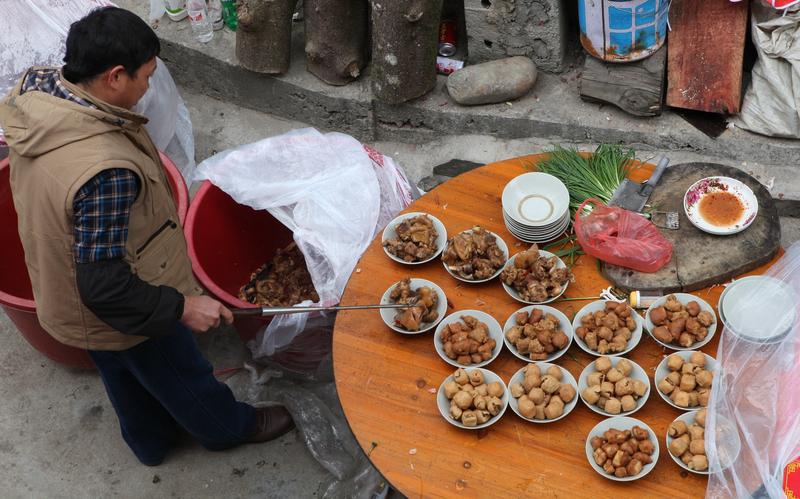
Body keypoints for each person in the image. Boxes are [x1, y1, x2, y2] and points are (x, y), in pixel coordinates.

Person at [0, 6, 293, 466]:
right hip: (127, 309)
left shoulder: (42, 97)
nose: (149, 88)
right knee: (181, 372)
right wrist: (181, 306)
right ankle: (227, 428)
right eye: (147, 76)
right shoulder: (104, 173)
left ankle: (151, 444)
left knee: (121, 375)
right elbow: (106, 287)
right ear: (115, 77)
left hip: (65, 294)